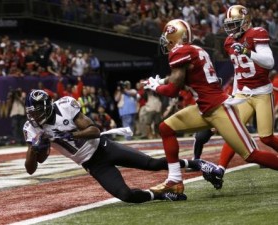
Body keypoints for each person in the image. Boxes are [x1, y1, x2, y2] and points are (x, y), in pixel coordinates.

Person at [142, 19, 278, 196]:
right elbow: (179, 77)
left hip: (219, 108)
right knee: (165, 128)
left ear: (174, 37)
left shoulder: (181, 52)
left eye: (167, 37)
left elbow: (173, 90)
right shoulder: (193, 49)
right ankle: (174, 181)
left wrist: (156, 87)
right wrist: (160, 81)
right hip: (204, 107)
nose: (165, 41)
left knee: (251, 154)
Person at [23, 89, 218, 203]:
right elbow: (32, 168)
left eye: (37, 111)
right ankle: (160, 194)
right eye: (31, 112)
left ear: (48, 106)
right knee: (126, 196)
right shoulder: (32, 128)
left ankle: (198, 164)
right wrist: (34, 146)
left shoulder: (65, 107)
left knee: (152, 164)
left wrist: (70, 134)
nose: (34, 116)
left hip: (104, 147)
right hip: (92, 164)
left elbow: (94, 130)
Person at [205, 5, 278, 189]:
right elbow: (238, 72)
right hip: (243, 92)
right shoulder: (229, 42)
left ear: (245, 22)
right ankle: (220, 170)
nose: (230, 29)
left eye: (235, 24)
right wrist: (232, 95)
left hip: (262, 92)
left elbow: (269, 62)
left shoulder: (257, 33)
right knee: (232, 132)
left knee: (266, 138)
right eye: (229, 24)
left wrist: (247, 51)